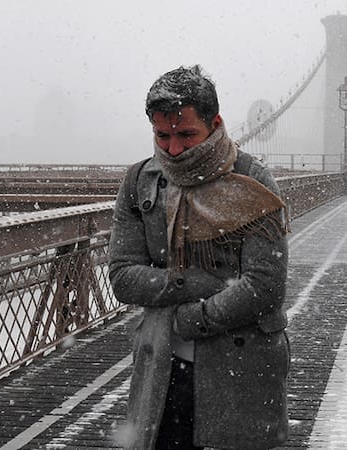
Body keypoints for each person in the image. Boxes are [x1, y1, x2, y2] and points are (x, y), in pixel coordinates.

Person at [108, 65, 290, 450]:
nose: (173, 148)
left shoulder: (254, 181)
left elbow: (265, 286)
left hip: (241, 365)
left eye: (186, 134)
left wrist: (195, 318)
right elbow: (123, 276)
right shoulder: (140, 181)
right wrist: (194, 283)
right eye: (162, 135)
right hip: (162, 365)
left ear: (215, 122)